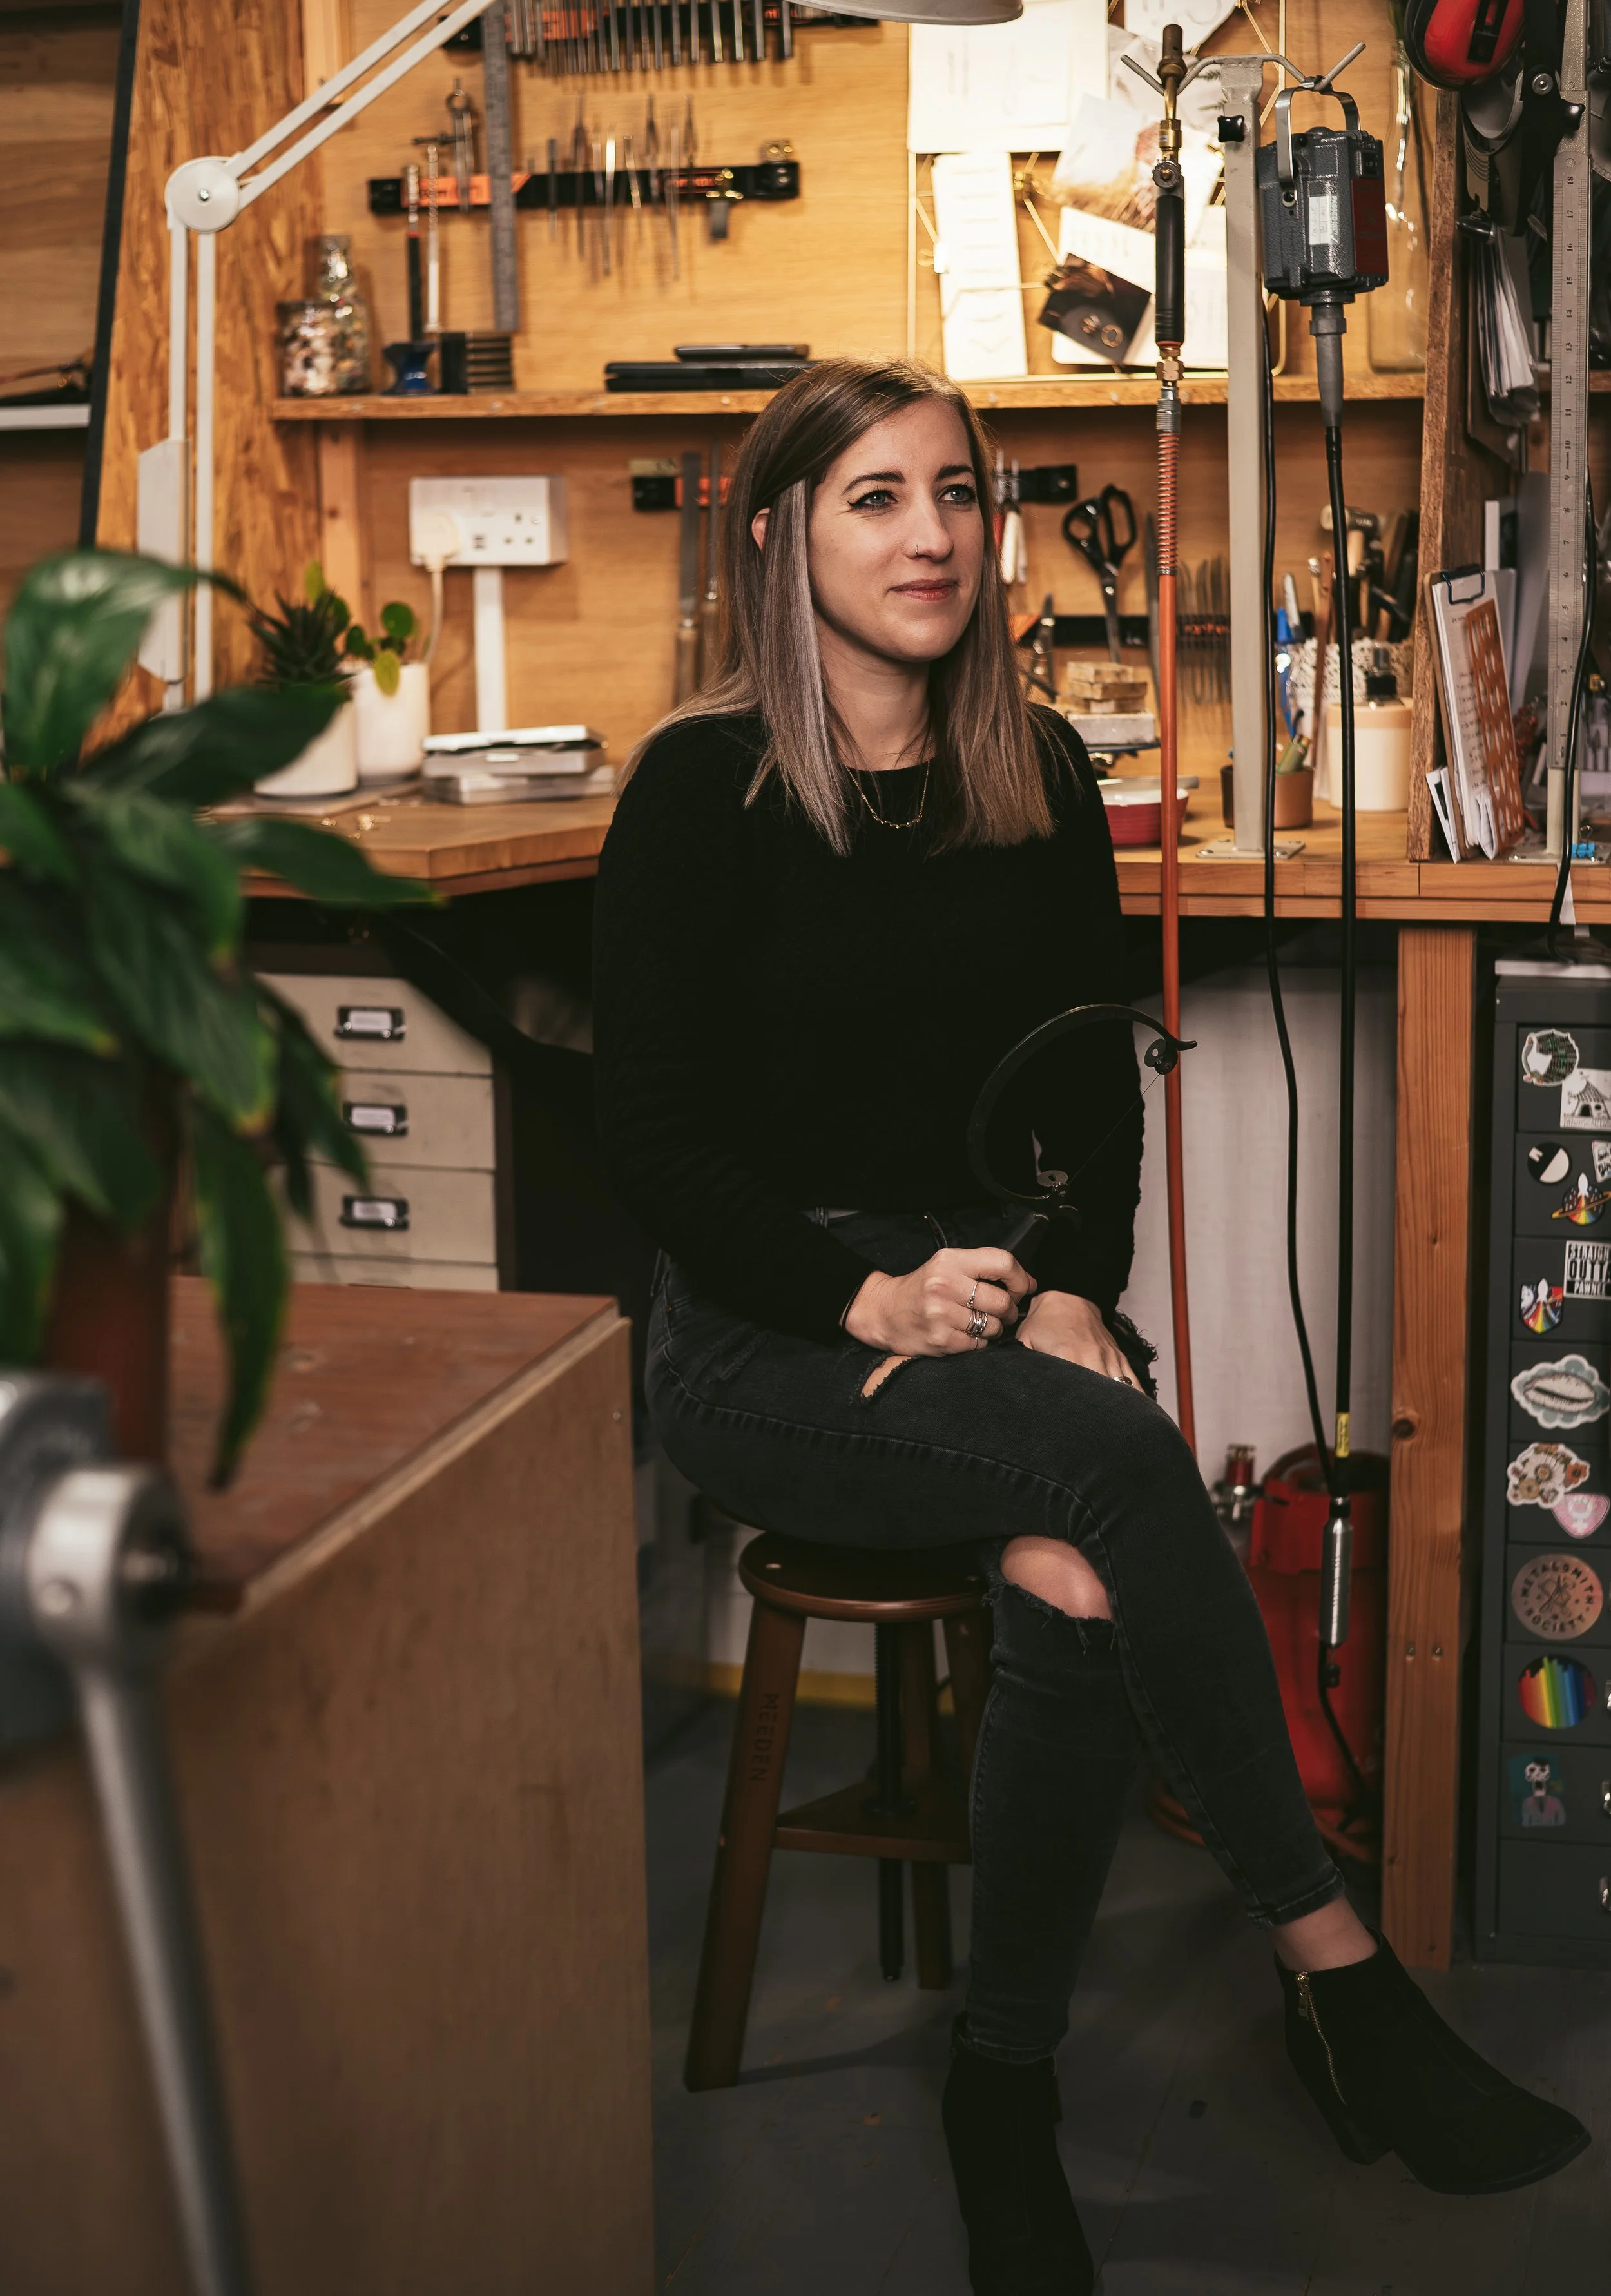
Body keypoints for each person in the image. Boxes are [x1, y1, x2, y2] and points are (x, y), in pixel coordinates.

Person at [593, 359, 1587, 2293]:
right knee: (1125, 1464)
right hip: (765, 1326)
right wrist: (858, 1288)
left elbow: (1088, 1090)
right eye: (875, 496)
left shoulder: (1035, 772)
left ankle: (999, 2082)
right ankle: (1339, 1978)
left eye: (954, 492)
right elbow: (652, 1144)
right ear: (780, 528)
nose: (931, 534)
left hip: (981, 1292)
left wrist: (1063, 1284)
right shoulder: (695, 789)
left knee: (1068, 1563)